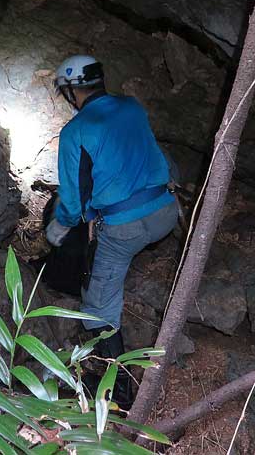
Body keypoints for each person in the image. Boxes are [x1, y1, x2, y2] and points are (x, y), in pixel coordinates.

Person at [47, 54, 178, 407]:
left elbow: (73, 203)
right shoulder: (132, 107)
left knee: (97, 304)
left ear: (72, 91)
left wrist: (59, 226)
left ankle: (119, 389)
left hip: (127, 229)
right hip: (166, 212)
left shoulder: (75, 132)